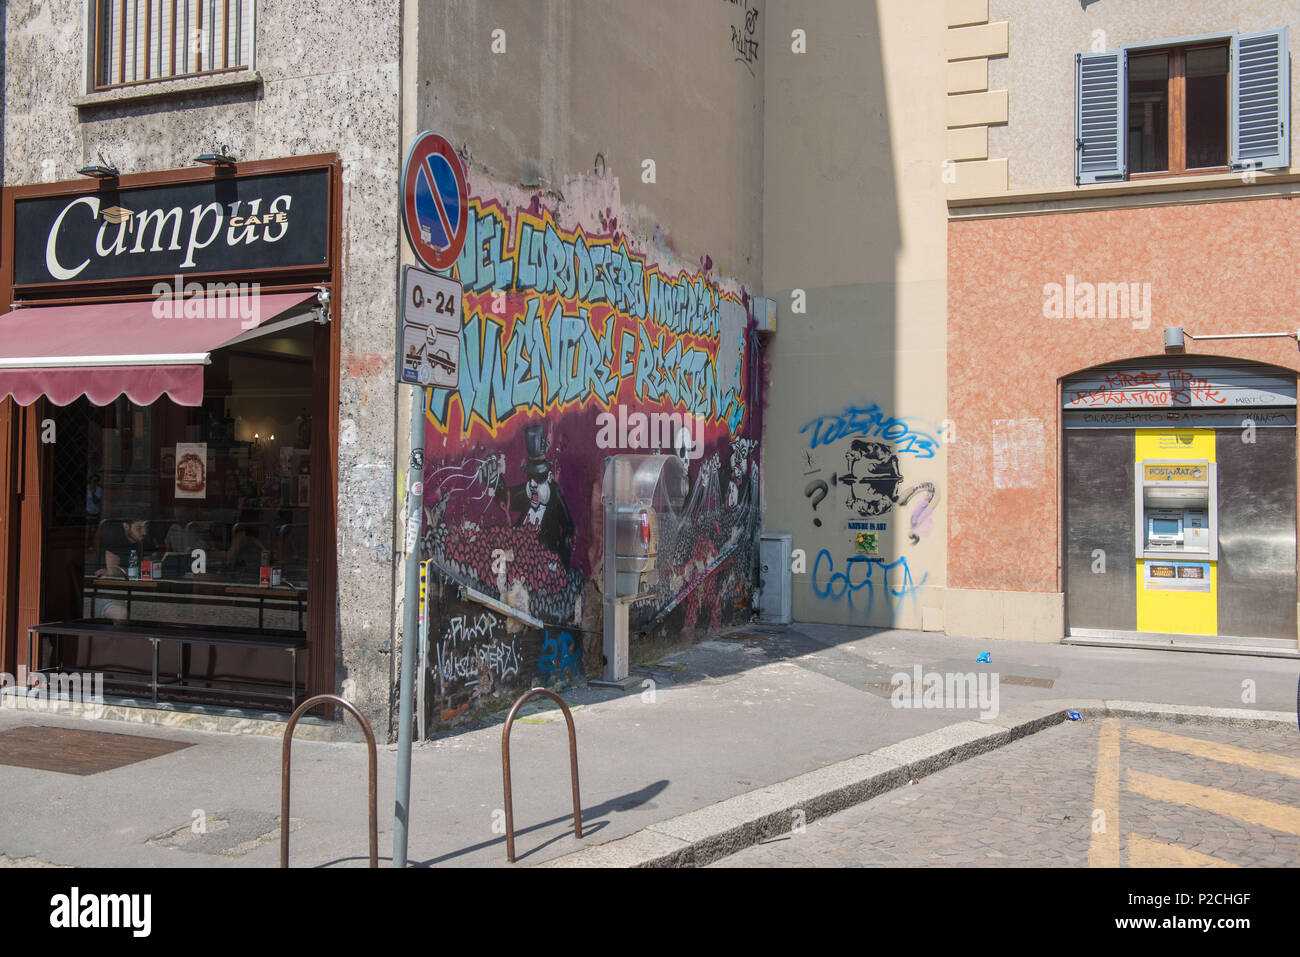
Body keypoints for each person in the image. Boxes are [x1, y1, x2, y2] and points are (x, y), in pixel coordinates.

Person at [92, 508, 157, 620]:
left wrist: (122, 571)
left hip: (137, 594)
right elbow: (113, 572)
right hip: (108, 593)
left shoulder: (145, 540)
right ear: (126, 526)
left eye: (146, 527)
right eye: (139, 528)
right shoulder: (114, 538)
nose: (144, 532)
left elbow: (147, 570)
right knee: (121, 615)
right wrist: (135, 571)